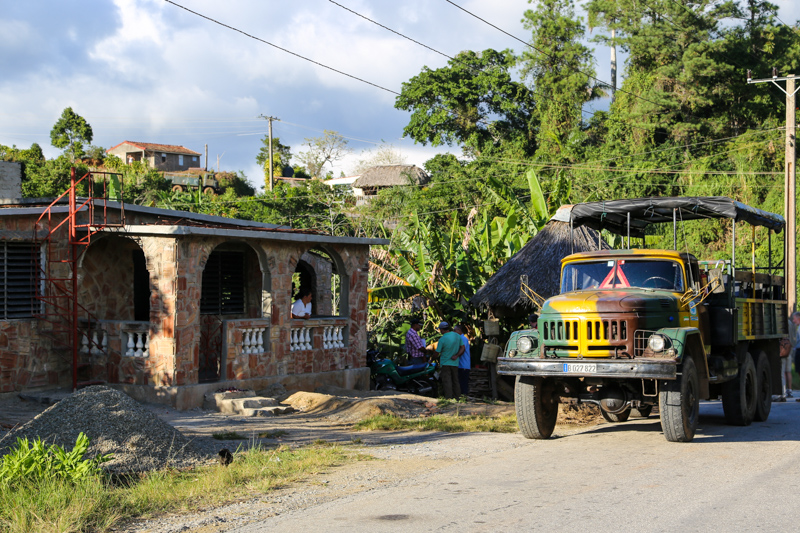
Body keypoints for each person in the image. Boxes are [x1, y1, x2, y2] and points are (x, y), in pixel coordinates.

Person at [435, 321, 464, 399]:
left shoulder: (442, 339)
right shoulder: (457, 336)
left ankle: (448, 398)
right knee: (455, 381)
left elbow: (437, 352)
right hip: (455, 363)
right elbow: (463, 347)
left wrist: (431, 359)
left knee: (447, 381)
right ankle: (457, 397)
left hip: (445, 363)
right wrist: (457, 355)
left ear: (442, 330)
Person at [454, 324, 471, 396]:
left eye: (455, 330)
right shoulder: (460, 338)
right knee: (461, 382)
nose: (454, 332)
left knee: (463, 382)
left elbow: (462, 349)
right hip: (461, 365)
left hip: (463, 365)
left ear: (459, 330)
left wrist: (456, 355)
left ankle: (464, 396)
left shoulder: (463, 339)